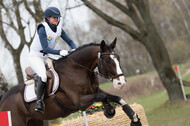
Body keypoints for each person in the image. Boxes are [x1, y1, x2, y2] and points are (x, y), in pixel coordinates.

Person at [28, 7, 76, 113]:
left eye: (58, 18)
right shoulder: (42, 28)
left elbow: (70, 41)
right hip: (36, 56)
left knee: (64, 66)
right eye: (54, 18)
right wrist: (59, 52)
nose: (56, 20)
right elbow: (45, 48)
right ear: (47, 18)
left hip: (48, 55)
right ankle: (39, 102)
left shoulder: (59, 29)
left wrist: (74, 49)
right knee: (44, 76)